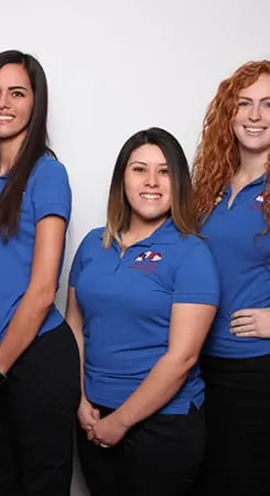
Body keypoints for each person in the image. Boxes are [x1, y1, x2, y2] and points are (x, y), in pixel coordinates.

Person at [66, 128, 219, 496]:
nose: (152, 181)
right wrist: (80, 399)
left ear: (178, 181)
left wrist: (120, 422)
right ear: (123, 179)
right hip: (93, 416)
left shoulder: (191, 253)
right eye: (139, 169)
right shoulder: (92, 244)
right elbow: (75, 325)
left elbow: (183, 357)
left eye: (164, 171)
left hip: (162, 427)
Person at [0, 50, 80, 496]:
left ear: (35, 103)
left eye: (16, 93)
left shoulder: (48, 174)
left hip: (35, 363)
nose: (2, 102)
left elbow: (44, 289)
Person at [192, 60, 270, 496]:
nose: (255, 116)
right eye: (244, 104)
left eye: (267, 104)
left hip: (255, 372)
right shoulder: (211, 184)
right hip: (202, 365)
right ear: (229, 113)